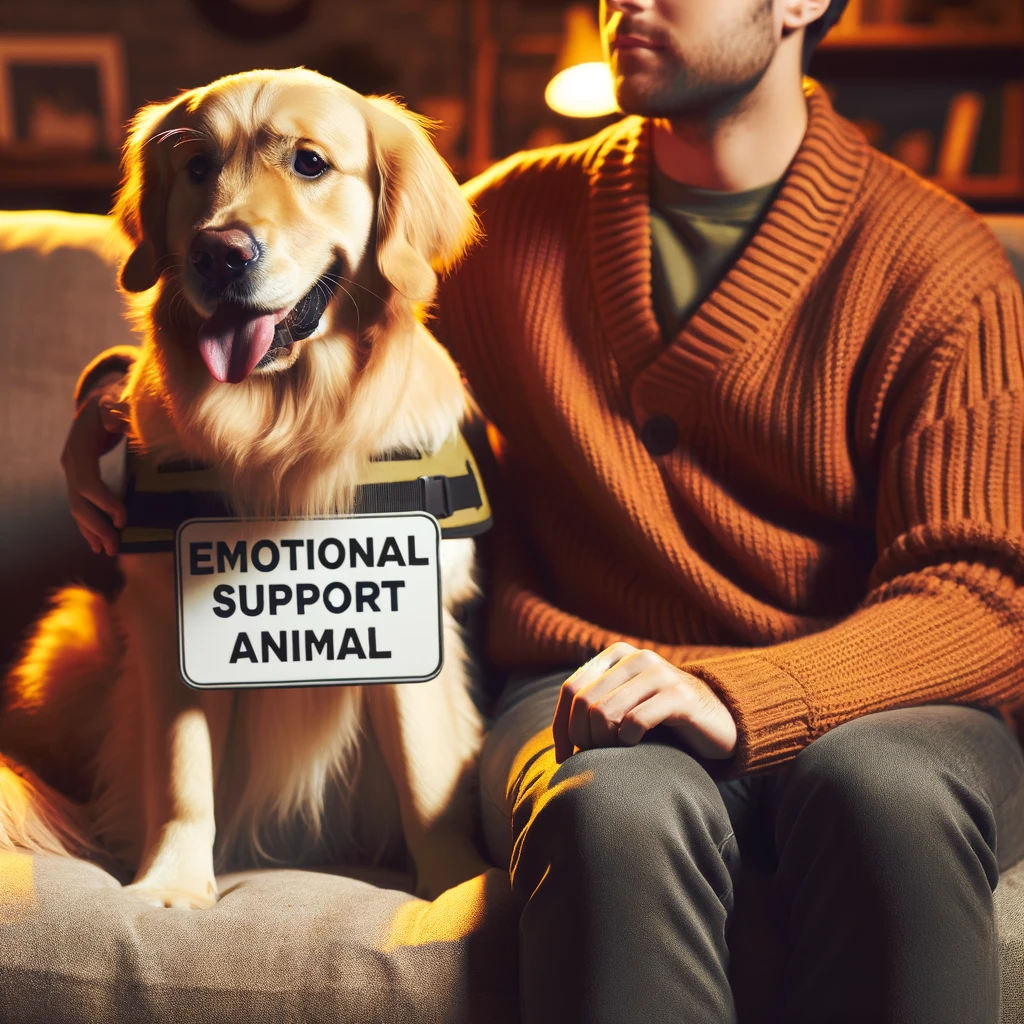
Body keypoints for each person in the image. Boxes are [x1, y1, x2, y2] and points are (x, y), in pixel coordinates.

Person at [64, 1, 1024, 1021]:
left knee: (885, 793)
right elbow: (335, 333)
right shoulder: (516, 221)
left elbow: (984, 595)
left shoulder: (939, 264)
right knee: (611, 810)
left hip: (881, 697)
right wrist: (116, 393)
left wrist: (746, 693)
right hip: (583, 682)